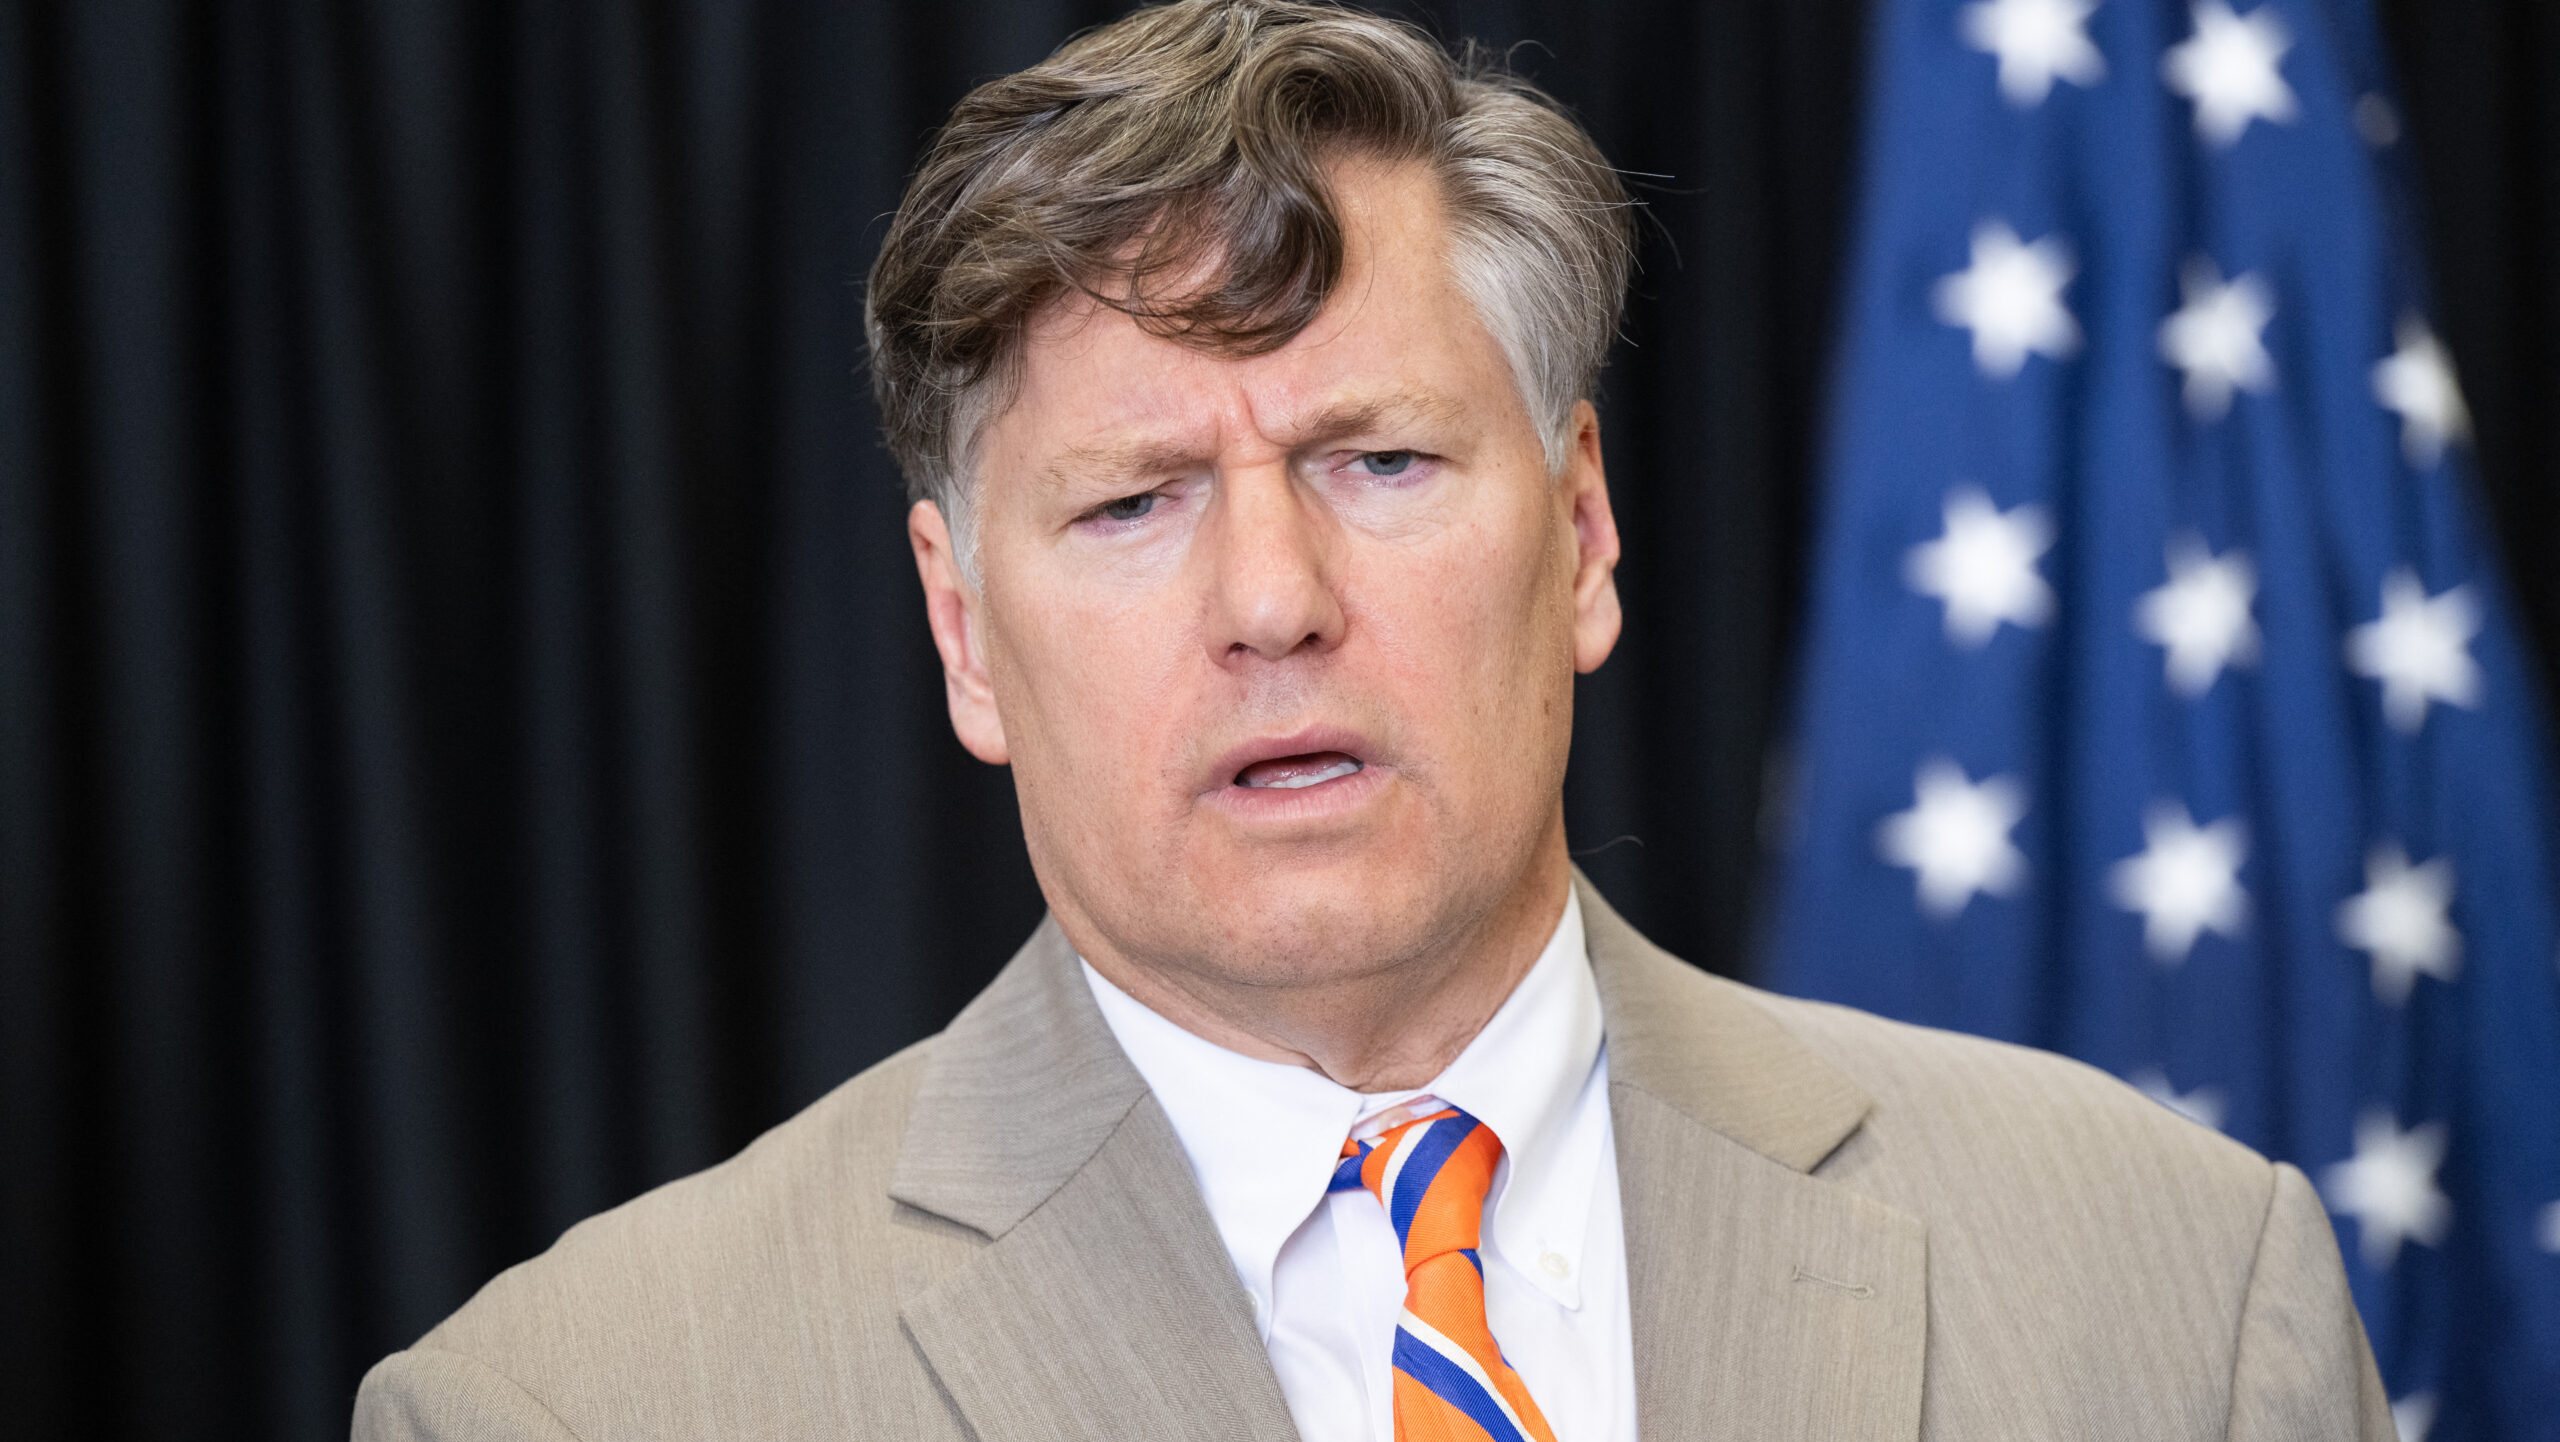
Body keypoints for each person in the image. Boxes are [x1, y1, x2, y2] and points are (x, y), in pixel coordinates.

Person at [353, 3, 2392, 1438]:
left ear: (1580, 533)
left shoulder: (2180, 1295)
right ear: (963, 632)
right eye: (1134, 502)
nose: (1272, 599)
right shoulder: (579, 1402)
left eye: (1378, 460)